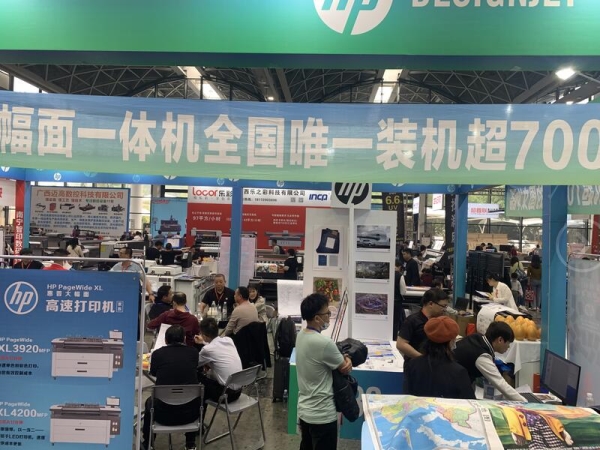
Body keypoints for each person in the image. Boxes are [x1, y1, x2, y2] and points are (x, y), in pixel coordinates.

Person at [296, 293, 352, 450]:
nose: (329, 317)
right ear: (316, 318)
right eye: (327, 313)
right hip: (322, 415)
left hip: (305, 411)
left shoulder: (300, 335)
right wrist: (348, 358)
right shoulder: (324, 343)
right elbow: (344, 368)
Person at [141, 325, 200, 450]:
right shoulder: (194, 352)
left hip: (162, 414)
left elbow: (153, 373)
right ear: (184, 339)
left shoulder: (157, 354)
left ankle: (148, 443)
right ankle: (190, 443)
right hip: (190, 414)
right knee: (194, 398)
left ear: (166, 340)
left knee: (149, 402)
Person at [404, 316, 475, 399]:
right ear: (451, 341)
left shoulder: (412, 364)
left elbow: (407, 394)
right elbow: (469, 400)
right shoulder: (458, 372)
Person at [453, 322, 526, 402]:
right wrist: (524, 402)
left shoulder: (478, 337)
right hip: (453, 385)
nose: (508, 347)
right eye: (508, 343)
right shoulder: (482, 355)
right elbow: (500, 383)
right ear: (500, 340)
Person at [193, 318, 243, 409]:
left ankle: (198, 413)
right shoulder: (228, 340)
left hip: (225, 395)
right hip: (238, 391)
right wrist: (203, 342)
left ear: (204, 335)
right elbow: (216, 348)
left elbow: (194, 364)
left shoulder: (207, 350)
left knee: (196, 376)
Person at [396, 289, 449, 364]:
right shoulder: (412, 321)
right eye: (443, 306)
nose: (444, 310)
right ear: (431, 304)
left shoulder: (440, 320)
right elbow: (401, 344)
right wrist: (422, 359)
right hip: (416, 364)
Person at [392, 258, 407, 340]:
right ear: (399, 267)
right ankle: (393, 338)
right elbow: (403, 292)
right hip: (396, 302)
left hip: (386, 301)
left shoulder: (386, 273)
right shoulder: (399, 275)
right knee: (395, 322)